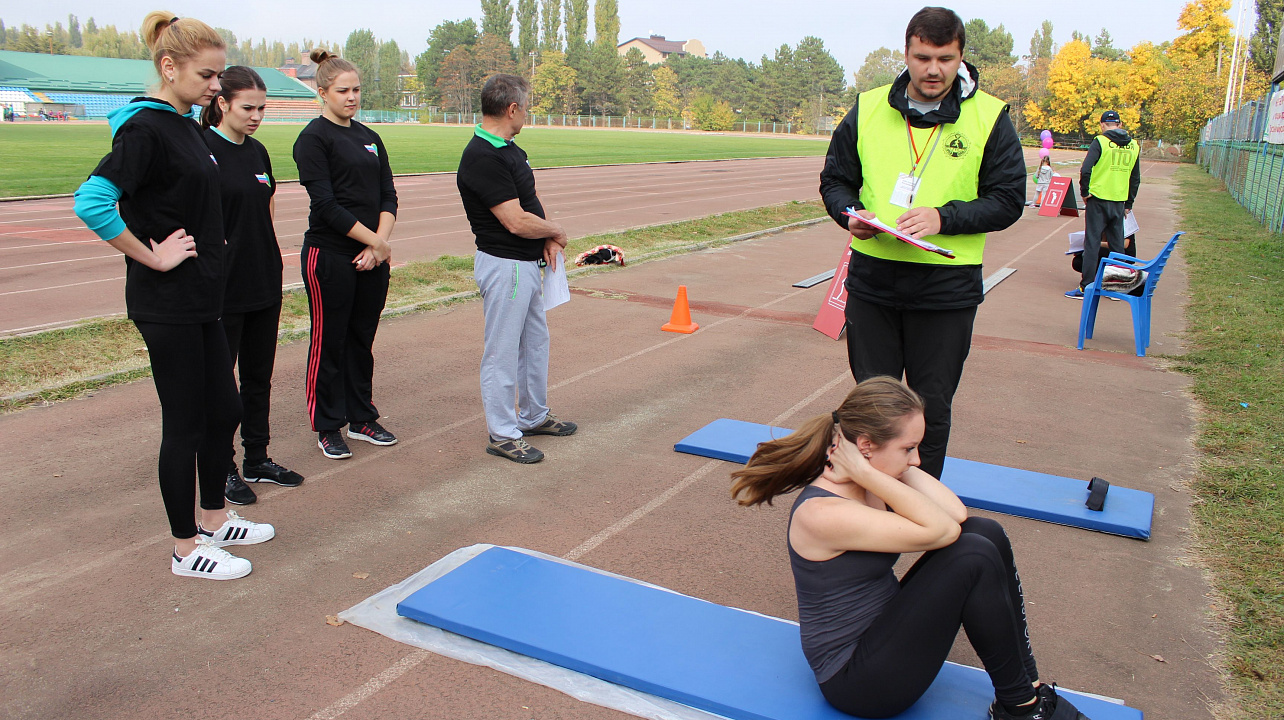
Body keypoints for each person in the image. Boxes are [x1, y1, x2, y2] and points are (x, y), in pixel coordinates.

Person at [731, 377, 1090, 720]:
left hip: (884, 637)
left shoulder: (872, 473)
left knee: (986, 532)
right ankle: (1022, 710)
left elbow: (958, 514)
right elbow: (943, 530)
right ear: (867, 446)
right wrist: (871, 474)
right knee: (974, 557)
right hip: (857, 682)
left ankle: (1027, 687)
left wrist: (878, 469)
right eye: (908, 448)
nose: (916, 459)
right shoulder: (822, 513)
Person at [73, 11, 274, 581]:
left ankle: (213, 519)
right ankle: (185, 549)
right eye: (209, 76)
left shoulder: (186, 124)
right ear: (170, 67)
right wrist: (151, 254)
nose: (218, 85)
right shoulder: (144, 129)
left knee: (225, 408)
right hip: (168, 301)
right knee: (186, 422)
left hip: (203, 297)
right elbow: (91, 202)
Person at [819, 6, 1026, 480]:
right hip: (873, 281)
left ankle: (916, 507)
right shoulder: (868, 107)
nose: (934, 70)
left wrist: (942, 217)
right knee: (873, 404)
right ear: (906, 53)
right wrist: (849, 215)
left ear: (961, 57)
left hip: (945, 287)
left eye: (946, 59)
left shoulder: (989, 117)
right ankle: (861, 498)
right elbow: (835, 181)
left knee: (928, 407)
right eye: (923, 57)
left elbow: (1009, 200)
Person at [457, 73, 577, 464]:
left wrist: (545, 238)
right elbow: (514, 220)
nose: (527, 113)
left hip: (526, 263)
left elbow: (528, 202)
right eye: (526, 106)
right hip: (505, 264)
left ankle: (533, 415)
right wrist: (556, 229)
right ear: (512, 109)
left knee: (534, 344)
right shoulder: (482, 156)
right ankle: (503, 432)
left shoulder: (509, 149)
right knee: (502, 351)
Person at [201, 65, 305, 503]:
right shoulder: (202, 148)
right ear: (221, 103)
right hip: (223, 286)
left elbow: (266, 206)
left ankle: (257, 457)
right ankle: (220, 466)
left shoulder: (258, 151)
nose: (257, 115)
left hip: (264, 278)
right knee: (221, 383)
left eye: (262, 108)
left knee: (258, 376)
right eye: (248, 107)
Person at [293, 49, 399, 460]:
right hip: (330, 256)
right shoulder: (313, 139)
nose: (352, 97)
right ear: (323, 93)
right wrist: (373, 242)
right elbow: (325, 205)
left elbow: (388, 194)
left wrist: (379, 244)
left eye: (356, 89)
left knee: (361, 338)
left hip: (373, 256)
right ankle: (327, 424)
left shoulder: (371, 138)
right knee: (329, 340)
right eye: (343, 91)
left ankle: (362, 416)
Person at [1067, 110, 1141, 299]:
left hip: (1098, 199)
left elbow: (1086, 168)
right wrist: (1129, 202)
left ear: (1102, 125)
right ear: (1120, 124)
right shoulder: (1133, 145)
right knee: (1117, 246)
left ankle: (1086, 287)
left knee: (1091, 244)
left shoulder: (1100, 142)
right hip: (1119, 201)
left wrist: (1085, 192)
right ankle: (1117, 288)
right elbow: (1135, 177)